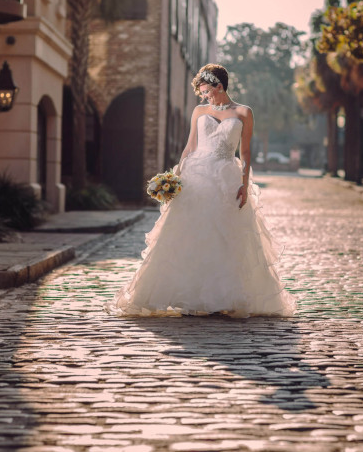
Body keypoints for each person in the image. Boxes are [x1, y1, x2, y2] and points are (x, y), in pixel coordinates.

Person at [109, 63, 296, 318]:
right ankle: (190, 297)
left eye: (207, 91)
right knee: (191, 234)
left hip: (226, 178)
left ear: (220, 86)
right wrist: (174, 177)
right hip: (196, 177)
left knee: (226, 237)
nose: (205, 96)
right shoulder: (199, 111)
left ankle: (224, 297)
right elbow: (190, 147)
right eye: (202, 92)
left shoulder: (243, 112)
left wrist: (244, 183)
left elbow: (245, 152)